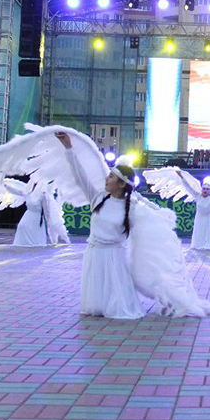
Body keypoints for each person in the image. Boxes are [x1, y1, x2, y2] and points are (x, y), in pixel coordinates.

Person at [56, 131, 145, 319]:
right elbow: (80, 176)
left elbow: (147, 233)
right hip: (94, 253)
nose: (106, 178)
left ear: (121, 184)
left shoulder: (132, 207)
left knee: (118, 301)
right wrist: (68, 148)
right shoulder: (98, 198)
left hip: (115, 255)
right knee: (97, 301)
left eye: (111, 177)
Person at [13, 183, 54, 247]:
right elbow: (17, 192)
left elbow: (46, 209)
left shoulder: (42, 196)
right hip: (28, 214)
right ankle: (23, 243)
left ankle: (34, 242)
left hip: (36, 216)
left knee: (34, 230)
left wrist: (48, 220)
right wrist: (6, 186)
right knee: (21, 226)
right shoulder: (28, 194)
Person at [190, 179, 210, 251]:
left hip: (207, 218)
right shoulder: (197, 196)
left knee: (206, 232)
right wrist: (181, 176)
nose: (205, 190)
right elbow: (189, 186)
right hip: (198, 218)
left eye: (207, 189)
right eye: (204, 188)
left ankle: (206, 244)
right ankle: (197, 244)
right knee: (198, 231)